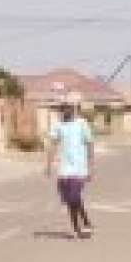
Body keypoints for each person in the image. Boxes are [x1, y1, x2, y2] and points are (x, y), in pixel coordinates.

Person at [50, 98, 95, 237]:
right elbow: (53, 144)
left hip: (79, 168)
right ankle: (80, 224)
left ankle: (81, 225)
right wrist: (48, 164)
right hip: (64, 169)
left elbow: (89, 143)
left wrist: (90, 167)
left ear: (73, 109)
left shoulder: (82, 123)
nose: (66, 111)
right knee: (70, 199)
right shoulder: (58, 125)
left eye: (68, 108)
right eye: (63, 108)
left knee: (74, 196)